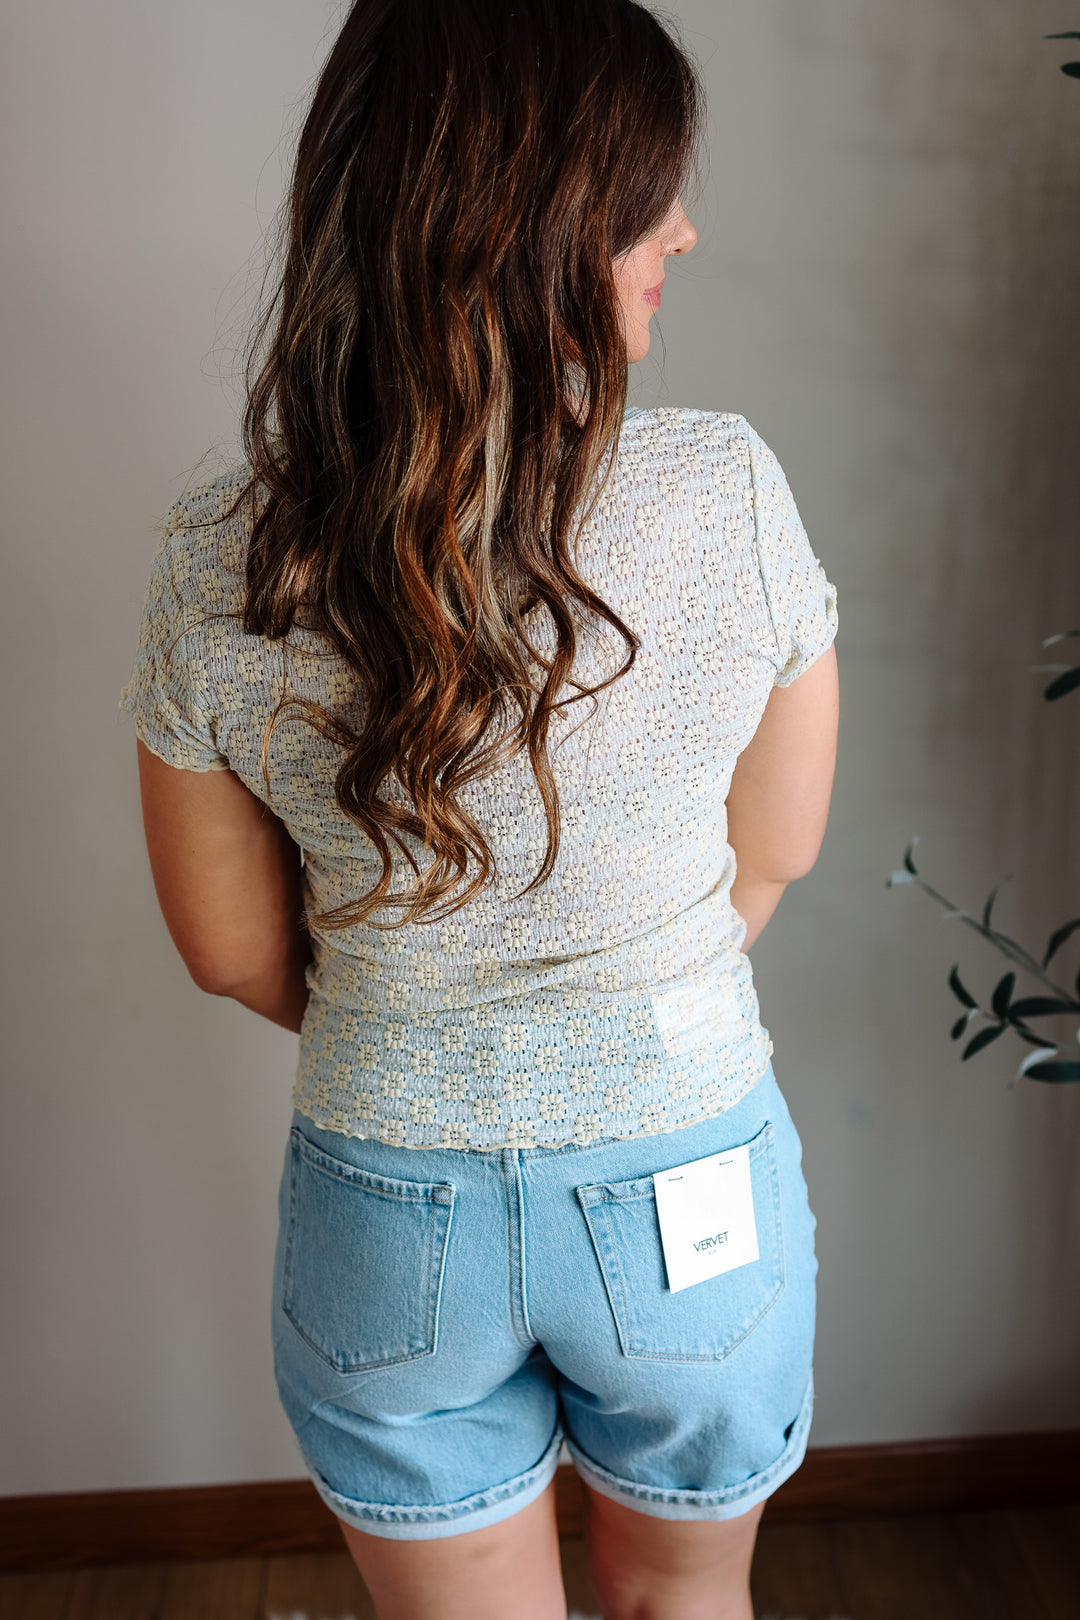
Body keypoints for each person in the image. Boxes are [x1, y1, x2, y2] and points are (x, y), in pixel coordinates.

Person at [118, 1, 839, 1615]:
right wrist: (619, 1000)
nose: (683, 227)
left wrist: (431, 1021)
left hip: (389, 1199)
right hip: (685, 1183)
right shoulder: (723, 489)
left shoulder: (222, 553)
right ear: (539, 219)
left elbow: (230, 951)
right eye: (646, 190)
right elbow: (780, 848)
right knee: (684, 1601)